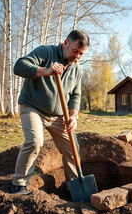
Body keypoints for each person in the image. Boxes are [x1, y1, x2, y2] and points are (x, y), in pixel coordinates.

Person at [11, 30, 89, 194]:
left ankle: (75, 187)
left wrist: (73, 116)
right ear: (66, 43)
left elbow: (75, 95)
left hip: (60, 115)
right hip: (33, 108)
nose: (77, 57)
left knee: (73, 148)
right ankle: (19, 183)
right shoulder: (45, 52)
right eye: (75, 51)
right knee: (35, 141)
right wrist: (45, 71)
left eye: (81, 54)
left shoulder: (77, 70)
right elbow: (18, 67)